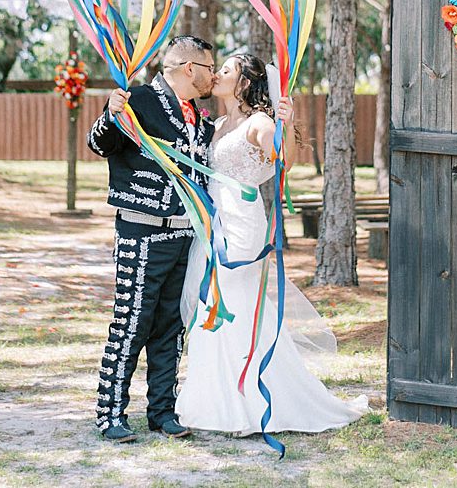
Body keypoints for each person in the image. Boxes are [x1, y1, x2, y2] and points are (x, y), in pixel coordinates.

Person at [175, 52, 368, 436]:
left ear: (244, 82)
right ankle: (217, 399)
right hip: (215, 219)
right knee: (214, 304)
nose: (216, 76)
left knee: (238, 303)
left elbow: (283, 161)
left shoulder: (259, 122)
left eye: (225, 71)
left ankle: (252, 399)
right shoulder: (217, 122)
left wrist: (287, 123)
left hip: (242, 222)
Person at [87, 35, 218, 443]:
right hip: (142, 231)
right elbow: (99, 143)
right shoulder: (138, 101)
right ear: (189, 68)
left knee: (170, 326)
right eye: (210, 69)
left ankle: (162, 411)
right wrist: (110, 114)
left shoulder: (200, 115)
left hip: (184, 234)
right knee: (132, 323)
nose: (214, 76)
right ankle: (110, 414)